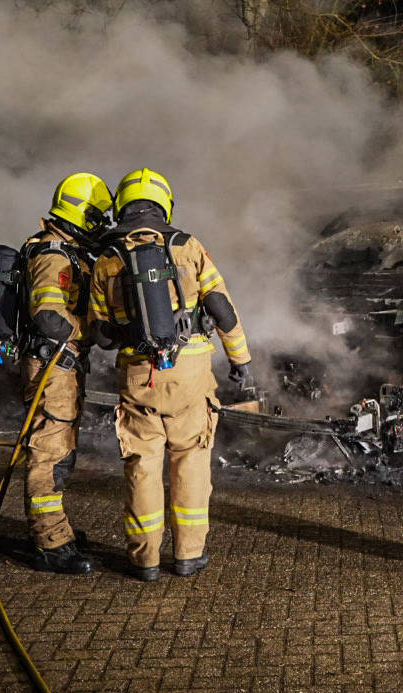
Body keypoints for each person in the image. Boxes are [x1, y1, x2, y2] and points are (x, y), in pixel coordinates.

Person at [88, 168, 251, 582]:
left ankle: (144, 560)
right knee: (190, 463)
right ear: (164, 204)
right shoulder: (187, 246)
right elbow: (222, 308)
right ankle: (188, 556)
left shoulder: (107, 259)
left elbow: (101, 333)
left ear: (122, 205)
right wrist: (241, 361)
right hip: (190, 372)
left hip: (139, 376)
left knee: (142, 468)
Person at [21, 171, 114, 575]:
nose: (100, 227)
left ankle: (56, 531)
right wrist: (87, 329)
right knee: (49, 453)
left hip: (61, 365)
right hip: (52, 367)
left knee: (62, 451)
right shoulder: (53, 255)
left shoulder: (66, 251)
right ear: (82, 215)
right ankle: (50, 544)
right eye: (97, 218)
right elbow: (47, 316)